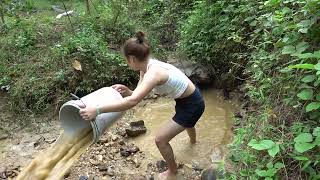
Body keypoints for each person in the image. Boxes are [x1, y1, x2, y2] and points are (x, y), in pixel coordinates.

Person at [79, 31, 205, 179]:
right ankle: (193, 143)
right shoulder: (146, 68)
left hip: (192, 104)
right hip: (187, 99)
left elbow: (133, 102)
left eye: (126, 60)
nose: (127, 63)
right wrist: (127, 91)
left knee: (160, 140)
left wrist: (98, 110)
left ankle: (172, 171)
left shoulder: (153, 73)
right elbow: (135, 95)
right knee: (188, 123)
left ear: (132, 58)